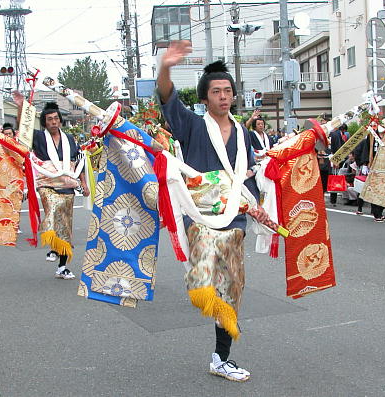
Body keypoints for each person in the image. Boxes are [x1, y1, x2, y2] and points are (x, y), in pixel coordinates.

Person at [157, 40, 267, 382]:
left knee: (230, 291)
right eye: (216, 91)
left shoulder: (244, 133)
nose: (223, 96)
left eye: (228, 91)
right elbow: (167, 97)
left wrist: (256, 206)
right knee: (203, 284)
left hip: (234, 221)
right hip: (201, 220)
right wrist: (166, 66)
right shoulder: (191, 125)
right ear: (204, 98)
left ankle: (221, 358)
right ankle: (205, 295)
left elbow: (239, 179)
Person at [31, 102, 90, 278]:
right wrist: (21, 108)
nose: (54, 122)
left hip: (68, 185)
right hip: (47, 184)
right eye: (49, 119)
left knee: (65, 225)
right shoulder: (39, 137)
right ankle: (52, 246)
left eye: (56, 118)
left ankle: (62, 266)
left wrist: (84, 183)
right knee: (53, 207)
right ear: (44, 122)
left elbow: (79, 162)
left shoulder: (70, 139)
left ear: (60, 120)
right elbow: (23, 127)